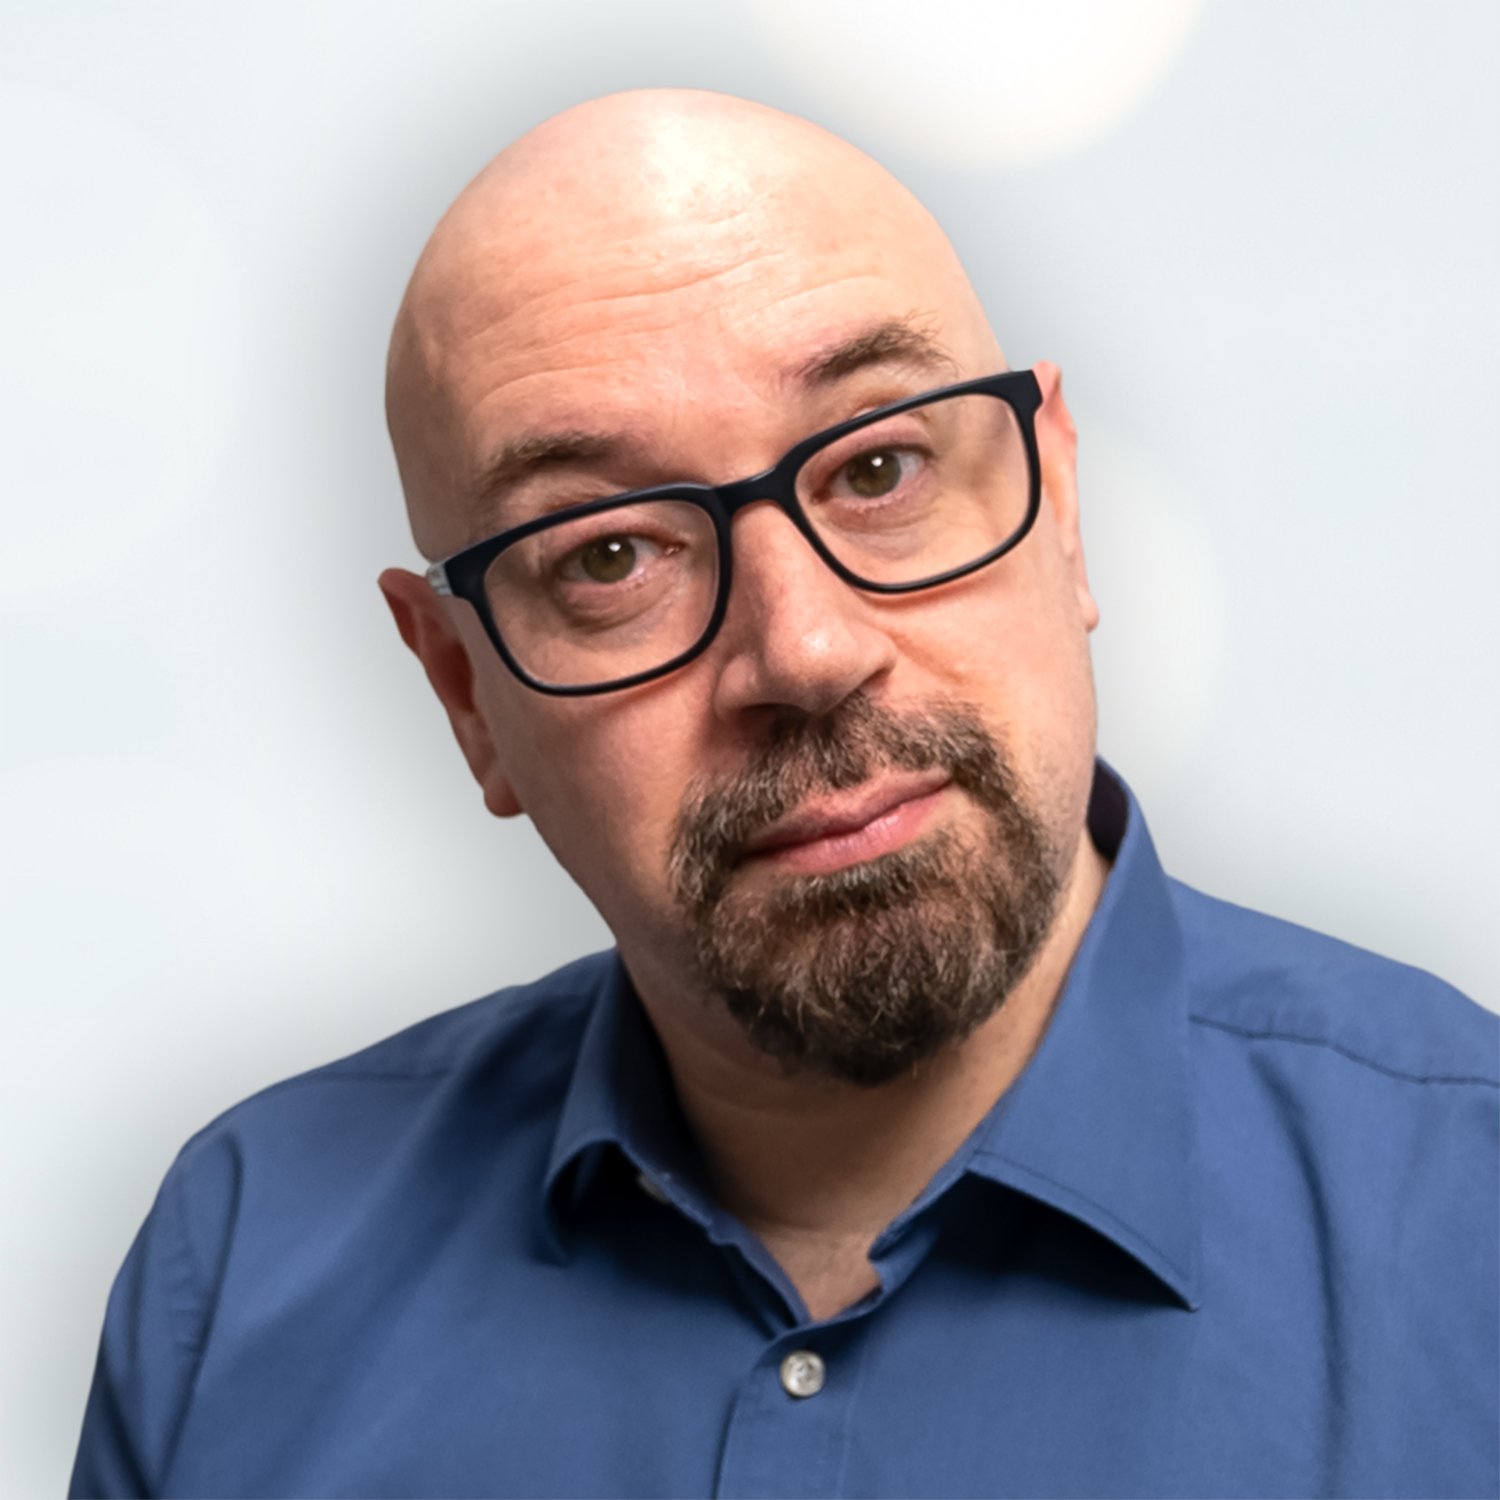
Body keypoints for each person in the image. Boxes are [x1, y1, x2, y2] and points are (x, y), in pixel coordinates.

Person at [70, 89, 1497, 1500]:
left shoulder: (1465, 1214)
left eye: (881, 466)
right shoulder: (239, 1275)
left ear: (1059, 508)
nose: (806, 652)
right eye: (610, 557)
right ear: (463, 689)